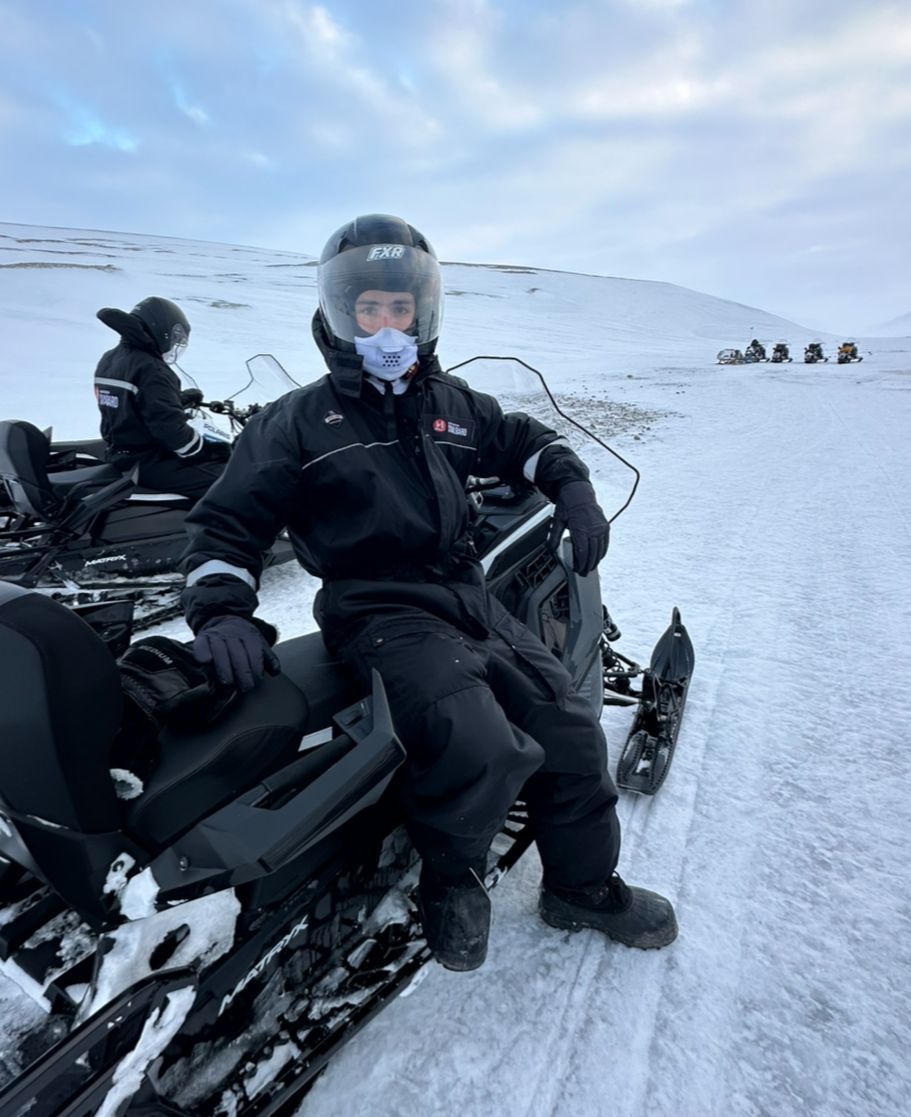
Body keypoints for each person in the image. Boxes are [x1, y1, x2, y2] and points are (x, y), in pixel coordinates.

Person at [179, 214, 678, 971]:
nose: (386, 325)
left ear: (423, 313)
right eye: (369, 308)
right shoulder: (298, 421)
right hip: (376, 611)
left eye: (400, 308)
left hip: (466, 598)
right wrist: (220, 608)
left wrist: (571, 485)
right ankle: (449, 878)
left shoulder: (449, 401)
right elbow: (225, 524)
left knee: (572, 729)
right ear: (339, 314)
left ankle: (580, 885)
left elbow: (522, 439)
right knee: (473, 737)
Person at [94, 296, 229, 500]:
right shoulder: (153, 369)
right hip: (149, 461)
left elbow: (131, 406)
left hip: (119, 452)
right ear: (160, 329)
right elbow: (173, 435)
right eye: (175, 337)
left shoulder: (111, 359)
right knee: (233, 481)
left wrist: (178, 399)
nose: (174, 344)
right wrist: (212, 451)